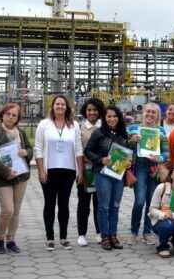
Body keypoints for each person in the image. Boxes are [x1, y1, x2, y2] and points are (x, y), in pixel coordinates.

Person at [34, 95, 85, 251]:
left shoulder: (74, 125)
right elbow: (38, 148)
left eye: (63, 104)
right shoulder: (44, 124)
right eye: (58, 104)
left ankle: (63, 237)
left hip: (68, 171)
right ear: (53, 106)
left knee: (64, 205)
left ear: (67, 107)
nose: (60, 107)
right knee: (49, 205)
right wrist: (41, 170)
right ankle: (50, 238)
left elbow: (78, 148)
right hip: (49, 170)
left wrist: (80, 171)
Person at [0, 103, 33, 254]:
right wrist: (6, 172)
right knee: (8, 209)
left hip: (21, 176)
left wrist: (26, 152)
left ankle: (11, 240)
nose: (11, 117)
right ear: (2, 115)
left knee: (16, 211)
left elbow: (31, 149)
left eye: (14, 115)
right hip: (3, 177)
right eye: (8, 114)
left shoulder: (21, 132)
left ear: (17, 118)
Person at [85, 105, 132, 250]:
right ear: (104, 118)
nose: (112, 119)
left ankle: (113, 235)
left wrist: (130, 162)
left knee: (115, 206)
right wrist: (100, 160)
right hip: (103, 174)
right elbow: (88, 151)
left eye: (114, 116)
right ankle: (105, 236)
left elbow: (128, 153)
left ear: (119, 118)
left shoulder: (123, 134)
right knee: (104, 206)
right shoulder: (99, 133)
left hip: (118, 175)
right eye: (109, 116)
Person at [127, 103, 170, 245]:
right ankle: (133, 231)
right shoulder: (133, 128)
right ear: (143, 113)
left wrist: (161, 158)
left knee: (152, 202)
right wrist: (132, 141)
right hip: (139, 166)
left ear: (158, 116)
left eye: (154, 113)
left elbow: (166, 153)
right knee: (139, 201)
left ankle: (147, 232)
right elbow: (125, 146)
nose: (150, 114)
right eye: (148, 112)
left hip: (155, 168)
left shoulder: (161, 131)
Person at [76, 98, 105, 246]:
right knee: (84, 203)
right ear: (85, 112)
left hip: (102, 170)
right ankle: (82, 234)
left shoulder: (104, 126)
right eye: (89, 110)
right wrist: (80, 172)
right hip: (86, 170)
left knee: (99, 202)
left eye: (95, 110)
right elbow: (78, 151)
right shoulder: (80, 128)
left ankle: (100, 232)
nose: (92, 112)